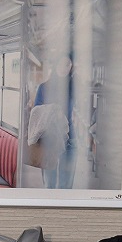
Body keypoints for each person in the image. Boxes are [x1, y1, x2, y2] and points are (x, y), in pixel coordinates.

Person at [33, 55, 77, 189]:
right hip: (49, 140)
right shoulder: (44, 87)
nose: (64, 68)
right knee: (49, 183)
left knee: (66, 185)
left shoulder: (74, 88)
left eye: (68, 65)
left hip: (69, 140)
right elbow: (36, 112)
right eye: (62, 63)